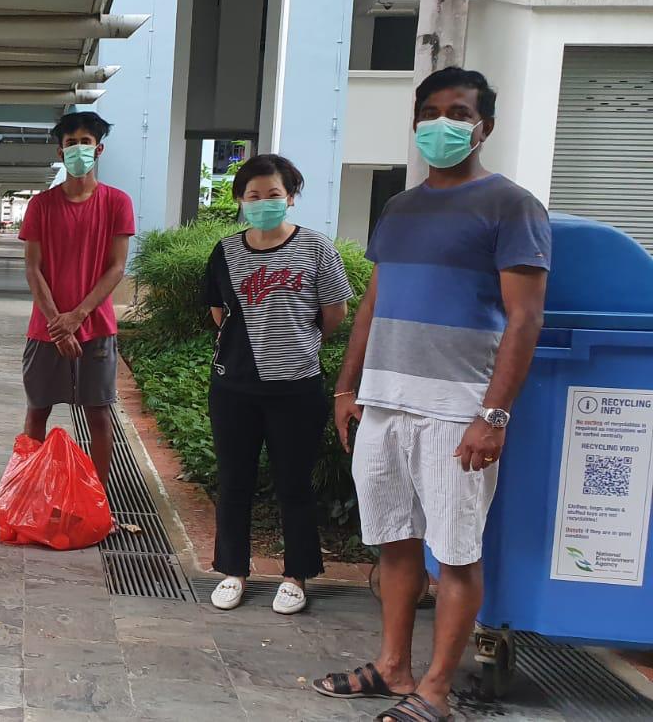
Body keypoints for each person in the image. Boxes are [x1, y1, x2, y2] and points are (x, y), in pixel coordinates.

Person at [314, 67, 550, 722]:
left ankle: (437, 690)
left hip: (457, 410)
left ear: (484, 126)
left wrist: (493, 415)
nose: (441, 124)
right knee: (394, 540)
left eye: (458, 112)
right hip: (385, 403)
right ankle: (393, 666)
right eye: (430, 112)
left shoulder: (511, 206)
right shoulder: (400, 207)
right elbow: (374, 300)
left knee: (456, 553)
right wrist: (346, 385)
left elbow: (525, 317)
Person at [201, 154, 354, 615]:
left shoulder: (316, 248)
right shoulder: (225, 251)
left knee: (294, 484)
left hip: (296, 388)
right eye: (254, 195)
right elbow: (218, 313)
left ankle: (296, 575)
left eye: (274, 194)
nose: (263, 202)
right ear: (240, 199)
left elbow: (335, 313)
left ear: (290, 198)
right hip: (234, 387)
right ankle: (233, 570)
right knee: (234, 481)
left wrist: (296, 345)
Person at [21, 111, 135, 478]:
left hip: (96, 329)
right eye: (71, 143)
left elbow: (116, 267)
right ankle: (31, 489)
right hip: (45, 330)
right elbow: (33, 268)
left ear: (98, 149)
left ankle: (97, 495)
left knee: (98, 413)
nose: (79, 149)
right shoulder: (40, 206)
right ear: (60, 152)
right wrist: (58, 324)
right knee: (37, 410)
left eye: (86, 142)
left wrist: (78, 316)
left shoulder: (117, 202)